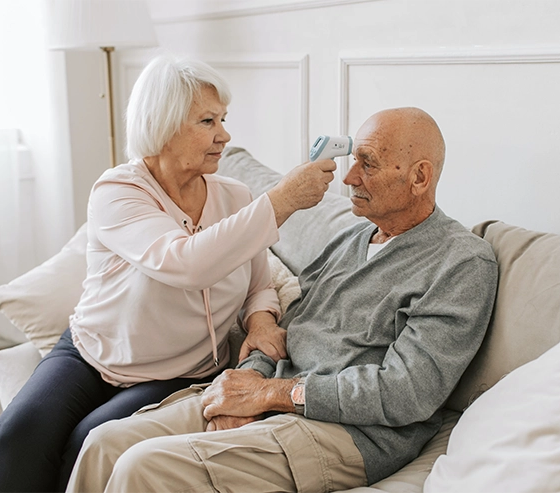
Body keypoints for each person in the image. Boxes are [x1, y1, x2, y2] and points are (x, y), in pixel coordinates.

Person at [65, 107, 499, 493]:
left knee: (143, 468)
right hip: (274, 398)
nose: (348, 179)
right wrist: (243, 388)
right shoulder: (352, 240)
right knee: (104, 443)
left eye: (367, 165)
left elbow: (408, 393)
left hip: (342, 432)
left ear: (419, 177)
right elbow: (286, 329)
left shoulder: (461, 262)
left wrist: (274, 395)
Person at [0, 55, 336, 493]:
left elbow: (259, 283)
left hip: (180, 370)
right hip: (91, 355)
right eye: (207, 121)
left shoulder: (237, 197)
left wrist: (260, 319)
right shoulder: (118, 191)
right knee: (14, 438)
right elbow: (185, 262)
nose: (224, 135)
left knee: (86, 444)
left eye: (223, 118)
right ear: (162, 125)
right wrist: (282, 199)